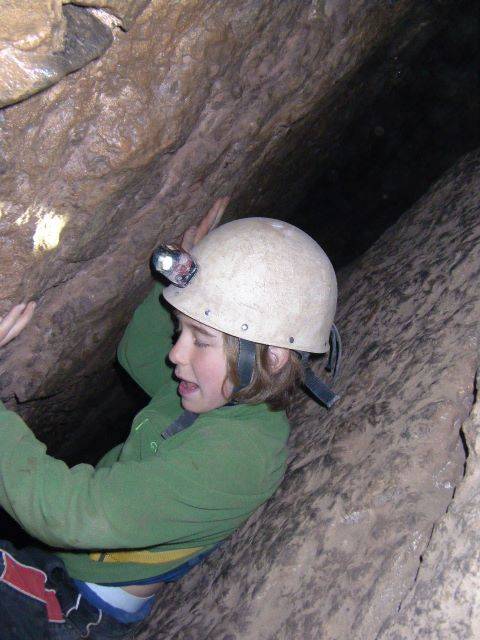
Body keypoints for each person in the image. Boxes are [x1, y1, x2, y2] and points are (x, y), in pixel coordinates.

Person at [0, 199, 340, 639]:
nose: (175, 353)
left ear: (272, 359)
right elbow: (137, 352)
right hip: (65, 571)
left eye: (200, 340)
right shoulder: (226, 394)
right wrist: (192, 291)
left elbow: (73, 514)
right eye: (181, 330)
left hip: (77, 608)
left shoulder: (238, 456)